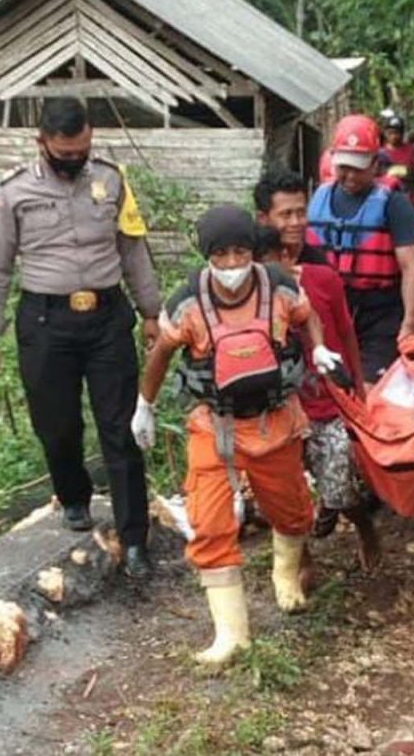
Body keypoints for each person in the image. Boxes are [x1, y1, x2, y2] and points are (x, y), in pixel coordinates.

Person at [132, 204, 344, 667]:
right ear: (207, 255)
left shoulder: (280, 286)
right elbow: (162, 354)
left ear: (253, 250)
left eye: (240, 252)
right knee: (209, 522)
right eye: (221, 254)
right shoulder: (187, 302)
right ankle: (232, 634)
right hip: (216, 424)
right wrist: (143, 406)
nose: (231, 264)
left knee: (291, 512)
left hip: (275, 421)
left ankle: (285, 574)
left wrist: (321, 346)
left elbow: (307, 316)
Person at [0, 97, 161, 582]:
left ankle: (135, 537)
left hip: (106, 317)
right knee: (56, 424)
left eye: (82, 150)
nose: (75, 159)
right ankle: (74, 496)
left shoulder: (112, 180)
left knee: (120, 427)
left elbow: (132, 248)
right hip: (45, 320)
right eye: (65, 152)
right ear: (43, 144)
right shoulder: (14, 191)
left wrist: (152, 311)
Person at [253, 169, 380, 569]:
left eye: (300, 213)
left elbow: (345, 333)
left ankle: (361, 524)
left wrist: (358, 389)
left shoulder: (322, 275)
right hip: (277, 405)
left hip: (325, 400)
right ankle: (300, 559)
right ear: (263, 220)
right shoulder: (248, 279)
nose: (295, 223)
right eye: (284, 215)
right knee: (285, 488)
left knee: (340, 486)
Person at [306, 114, 414, 384]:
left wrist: (410, 321)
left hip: (380, 311)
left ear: (375, 163)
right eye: (343, 166)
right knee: (332, 387)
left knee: (370, 388)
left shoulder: (394, 204)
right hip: (332, 310)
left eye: (358, 167)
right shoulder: (318, 198)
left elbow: (411, 267)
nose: (349, 175)